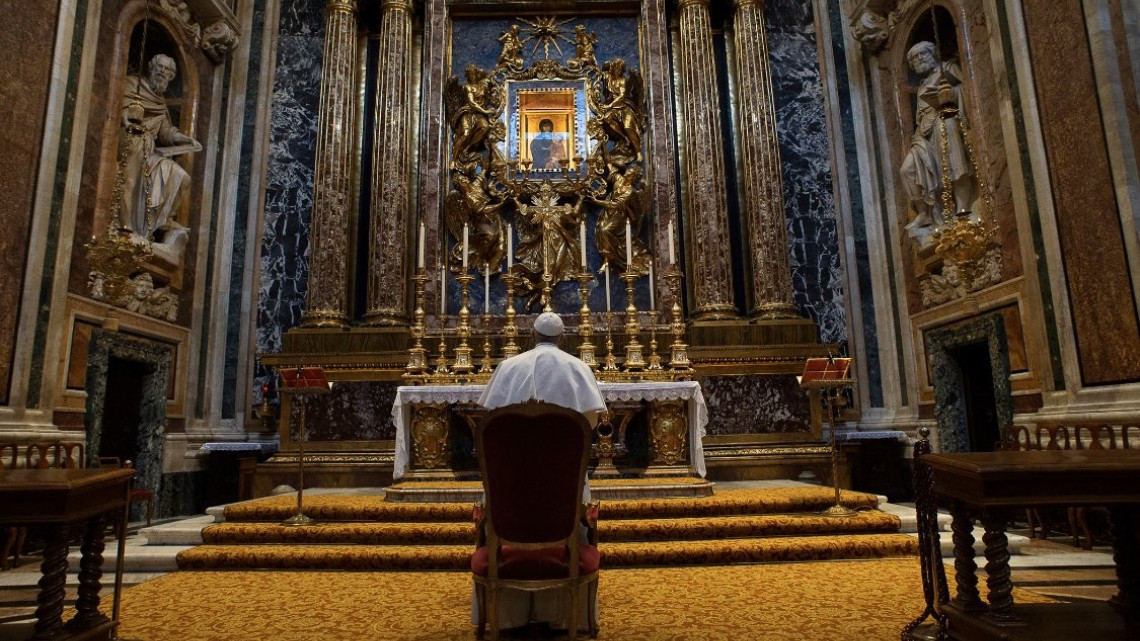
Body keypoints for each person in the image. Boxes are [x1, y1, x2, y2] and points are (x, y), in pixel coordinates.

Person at [475, 311, 605, 633]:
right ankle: (566, 616)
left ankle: (507, 617)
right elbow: (587, 427)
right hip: (565, 485)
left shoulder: (507, 368)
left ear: (531, 336)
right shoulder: (579, 369)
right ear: (562, 338)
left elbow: (493, 425)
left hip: (509, 486)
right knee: (572, 516)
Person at [119, 54, 201, 261]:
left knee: (182, 177)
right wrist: (129, 121)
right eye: (161, 68)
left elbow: (165, 131)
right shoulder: (133, 84)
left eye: (168, 71)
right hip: (132, 140)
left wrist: (186, 140)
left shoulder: (160, 102)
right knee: (130, 177)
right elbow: (121, 107)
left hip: (152, 149)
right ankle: (126, 228)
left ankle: (157, 224)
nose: (163, 73)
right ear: (151, 67)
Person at [899, 41, 974, 231]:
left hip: (945, 120)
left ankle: (963, 208)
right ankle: (925, 214)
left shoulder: (948, 68)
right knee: (907, 170)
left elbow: (967, 90)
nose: (919, 60)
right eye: (914, 59)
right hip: (924, 132)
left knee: (953, 165)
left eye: (922, 54)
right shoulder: (923, 84)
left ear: (933, 53)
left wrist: (948, 94)